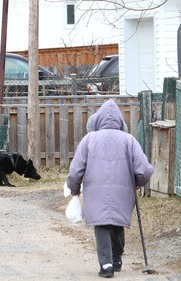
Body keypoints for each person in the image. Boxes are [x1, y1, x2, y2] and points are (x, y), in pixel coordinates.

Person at [66, 99, 154, 278]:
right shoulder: (129, 140)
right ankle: (117, 259)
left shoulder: (89, 139)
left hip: (95, 192)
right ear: (121, 122)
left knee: (102, 224)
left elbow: (75, 170)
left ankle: (106, 265)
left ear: (98, 120)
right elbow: (144, 170)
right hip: (123, 191)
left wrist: (74, 189)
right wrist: (138, 182)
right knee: (116, 221)